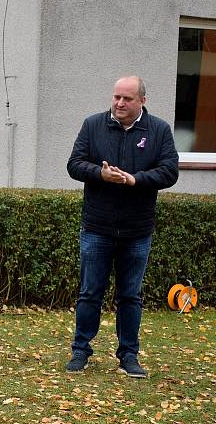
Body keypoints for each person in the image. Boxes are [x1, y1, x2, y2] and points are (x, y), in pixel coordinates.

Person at [66, 76, 178, 378]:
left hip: (137, 231)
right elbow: (74, 164)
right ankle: (81, 351)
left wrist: (136, 180)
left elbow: (170, 172)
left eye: (127, 99)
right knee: (90, 292)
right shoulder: (93, 125)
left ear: (142, 100)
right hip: (97, 227)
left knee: (130, 295)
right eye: (116, 97)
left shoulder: (158, 130)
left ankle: (128, 355)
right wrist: (100, 175)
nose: (119, 104)